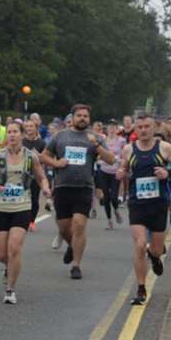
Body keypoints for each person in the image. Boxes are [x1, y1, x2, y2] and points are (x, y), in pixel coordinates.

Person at [44, 104, 118, 282]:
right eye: (79, 115)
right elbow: (43, 155)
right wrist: (56, 163)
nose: (82, 118)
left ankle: (76, 265)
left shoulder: (96, 138)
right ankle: (71, 246)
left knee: (79, 224)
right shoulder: (60, 136)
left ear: (89, 119)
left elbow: (111, 159)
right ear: (73, 117)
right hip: (62, 187)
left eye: (85, 116)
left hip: (84, 188)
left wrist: (97, 146)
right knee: (64, 228)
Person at [116, 113, 171, 306]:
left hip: (158, 204)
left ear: (154, 128)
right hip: (137, 203)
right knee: (139, 244)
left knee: (155, 248)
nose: (144, 130)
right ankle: (140, 288)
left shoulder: (164, 148)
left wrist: (168, 173)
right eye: (140, 127)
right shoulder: (128, 150)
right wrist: (121, 173)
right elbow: (123, 170)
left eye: (147, 126)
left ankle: (154, 257)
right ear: (135, 129)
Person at [0, 117, 49, 305]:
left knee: (14, 248)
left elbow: (41, 177)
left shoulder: (30, 157)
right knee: (2, 255)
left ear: (22, 134)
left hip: (22, 206)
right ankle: (8, 267)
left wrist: (45, 188)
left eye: (15, 132)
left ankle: (10, 289)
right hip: (1, 208)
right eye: (9, 132)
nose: (11, 135)